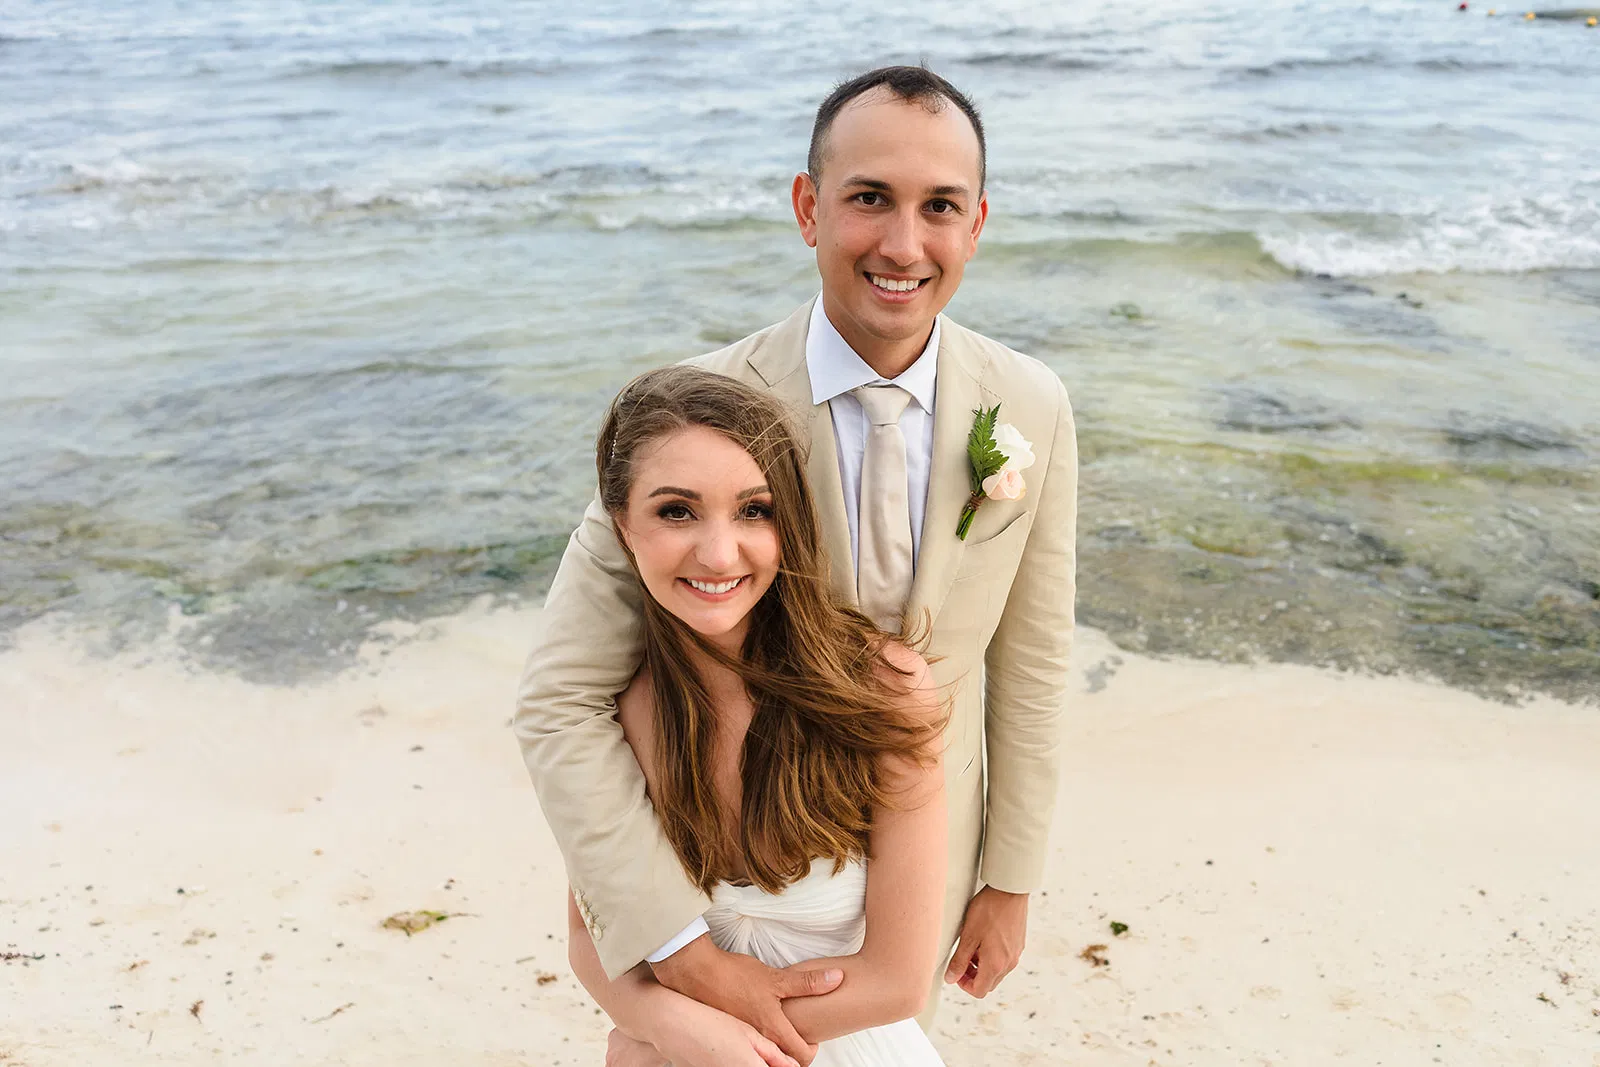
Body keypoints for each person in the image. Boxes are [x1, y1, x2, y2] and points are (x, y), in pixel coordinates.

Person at [516, 64, 1078, 1062]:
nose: (903, 244)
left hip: (924, 839)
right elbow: (561, 694)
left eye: (938, 207)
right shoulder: (699, 410)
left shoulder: (1030, 405)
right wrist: (678, 954)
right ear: (808, 207)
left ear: (976, 224)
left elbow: (1030, 665)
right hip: (737, 831)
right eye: (868, 198)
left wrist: (1009, 875)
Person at [567, 365, 949, 1066]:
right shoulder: (609, 717)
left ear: (789, 521)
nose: (718, 553)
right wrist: (668, 1026)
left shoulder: (882, 689)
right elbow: (591, 943)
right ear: (623, 526)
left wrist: (727, 1041)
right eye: (676, 510)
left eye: (753, 509)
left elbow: (899, 980)